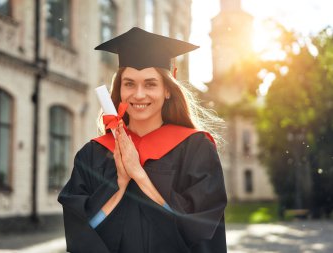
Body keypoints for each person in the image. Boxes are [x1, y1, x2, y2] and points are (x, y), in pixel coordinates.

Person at [58, 27, 227, 253]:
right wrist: (119, 183)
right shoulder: (93, 153)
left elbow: (200, 229)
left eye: (150, 84)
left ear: (167, 90)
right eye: (129, 83)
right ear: (119, 89)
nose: (138, 94)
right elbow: (80, 232)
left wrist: (139, 175)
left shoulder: (195, 149)